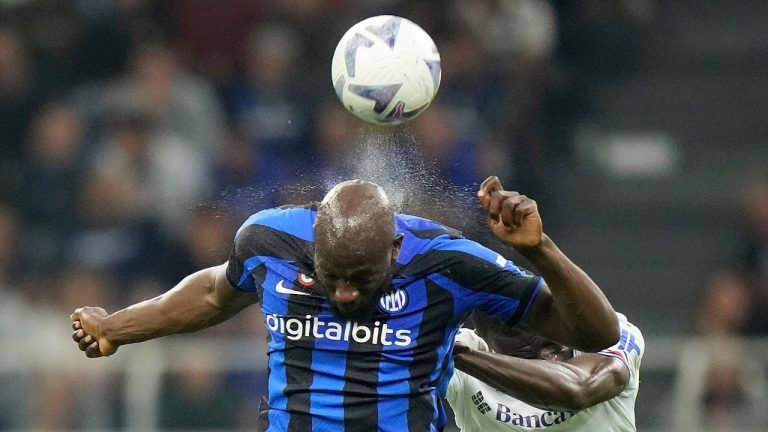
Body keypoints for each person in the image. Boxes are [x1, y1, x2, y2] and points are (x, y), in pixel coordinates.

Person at [70, 176, 619, 432]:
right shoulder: (270, 241)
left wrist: (541, 251)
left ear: (396, 248)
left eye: (361, 279)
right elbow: (215, 291)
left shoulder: (447, 262)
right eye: (332, 278)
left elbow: (596, 335)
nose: (346, 294)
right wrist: (118, 326)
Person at [447, 311, 643, 431]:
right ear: (482, 334)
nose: (551, 354)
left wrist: (460, 357)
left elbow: (576, 389)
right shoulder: (463, 345)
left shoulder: (604, 332)